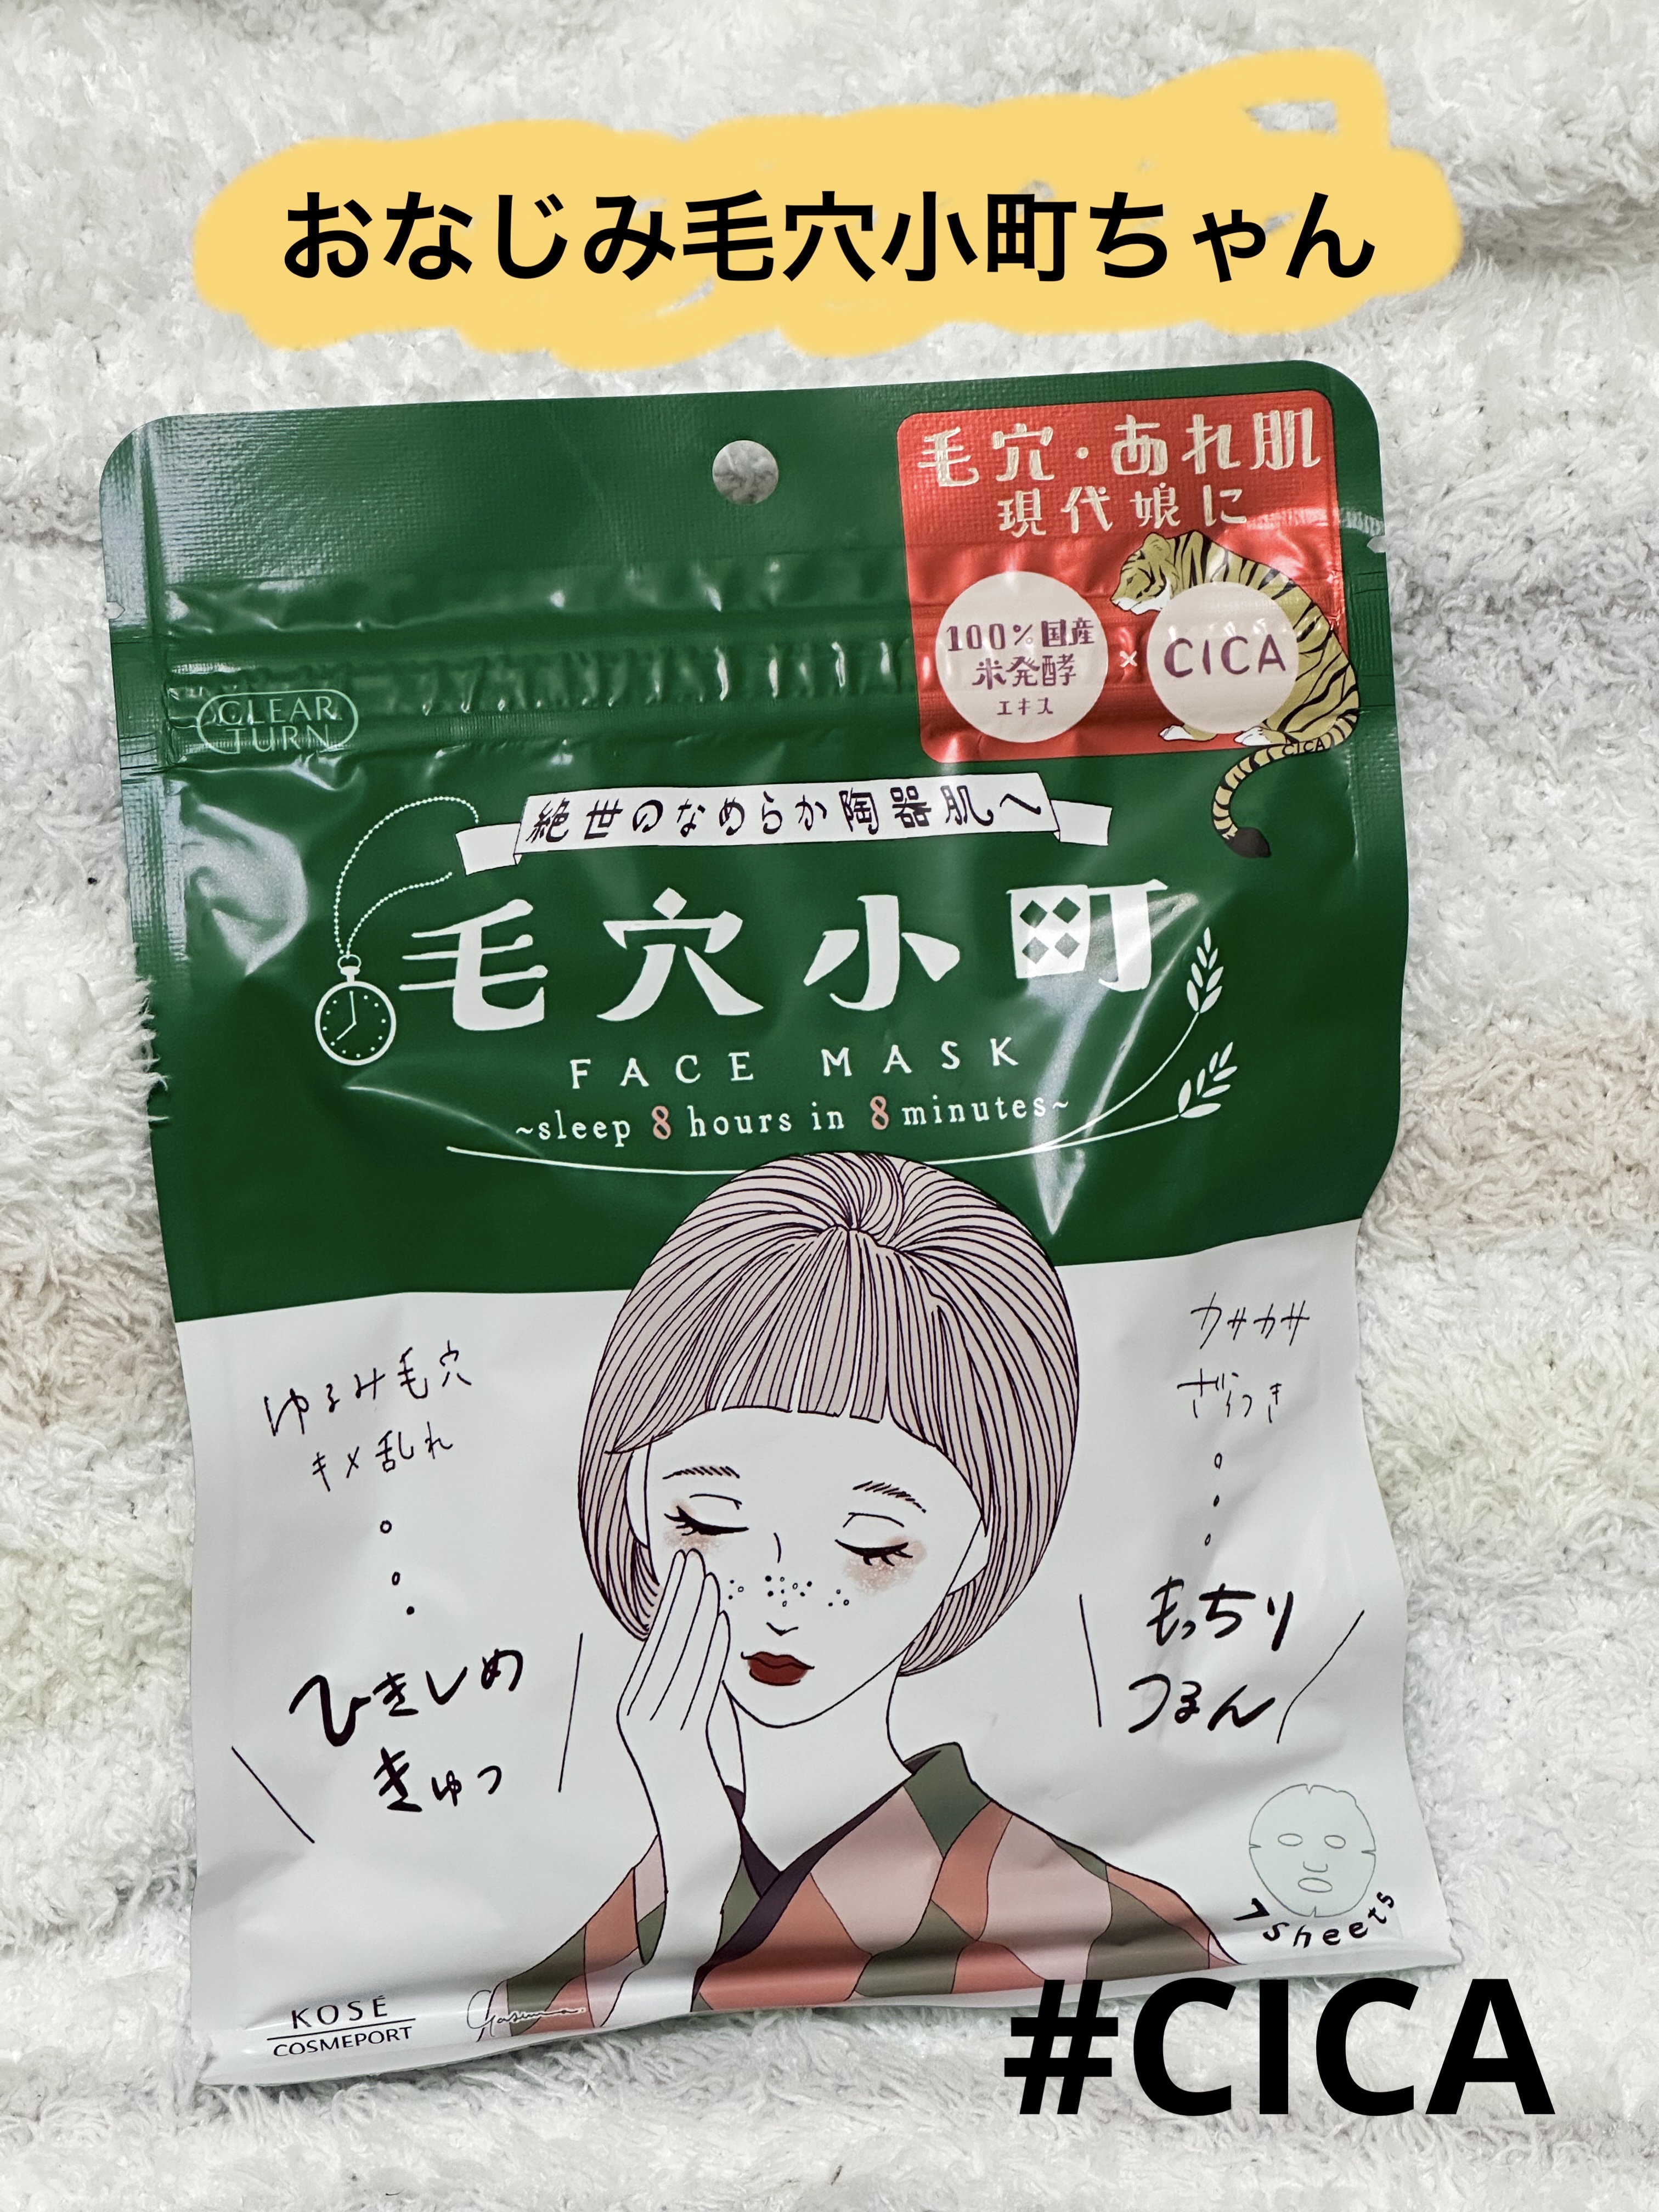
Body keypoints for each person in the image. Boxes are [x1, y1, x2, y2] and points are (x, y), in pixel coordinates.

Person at [484, 1152, 1228, 2041]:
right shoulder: (627, 1901)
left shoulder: (1107, 1926)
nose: (782, 1601)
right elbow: (529, 2052)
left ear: (978, 1545)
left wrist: (695, 1858)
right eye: (709, 1518)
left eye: (873, 1545)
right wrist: (687, 1836)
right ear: (636, 1498)